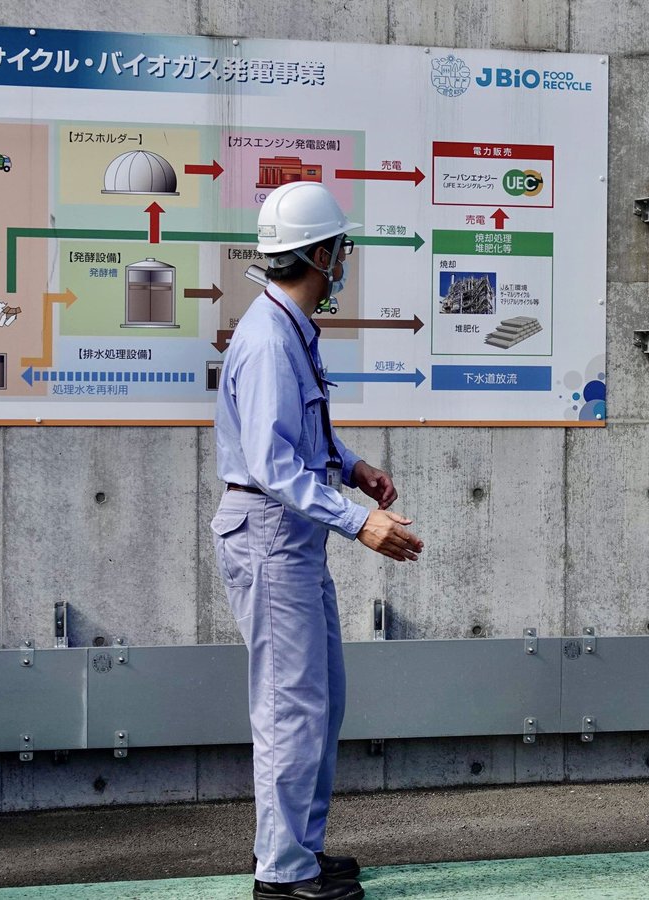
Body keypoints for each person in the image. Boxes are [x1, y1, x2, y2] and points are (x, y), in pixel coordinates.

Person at [212, 181, 425, 900]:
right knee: (290, 706)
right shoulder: (271, 339)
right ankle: (282, 874)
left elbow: (298, 434)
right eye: (340, 248)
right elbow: (272, 464)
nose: (345, 261)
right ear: (319, 256)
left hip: (289, 533)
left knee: (319, 700)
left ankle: (298, 848)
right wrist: (359, 520)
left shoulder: (288, 326)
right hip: (272, 532)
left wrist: (352, 466)